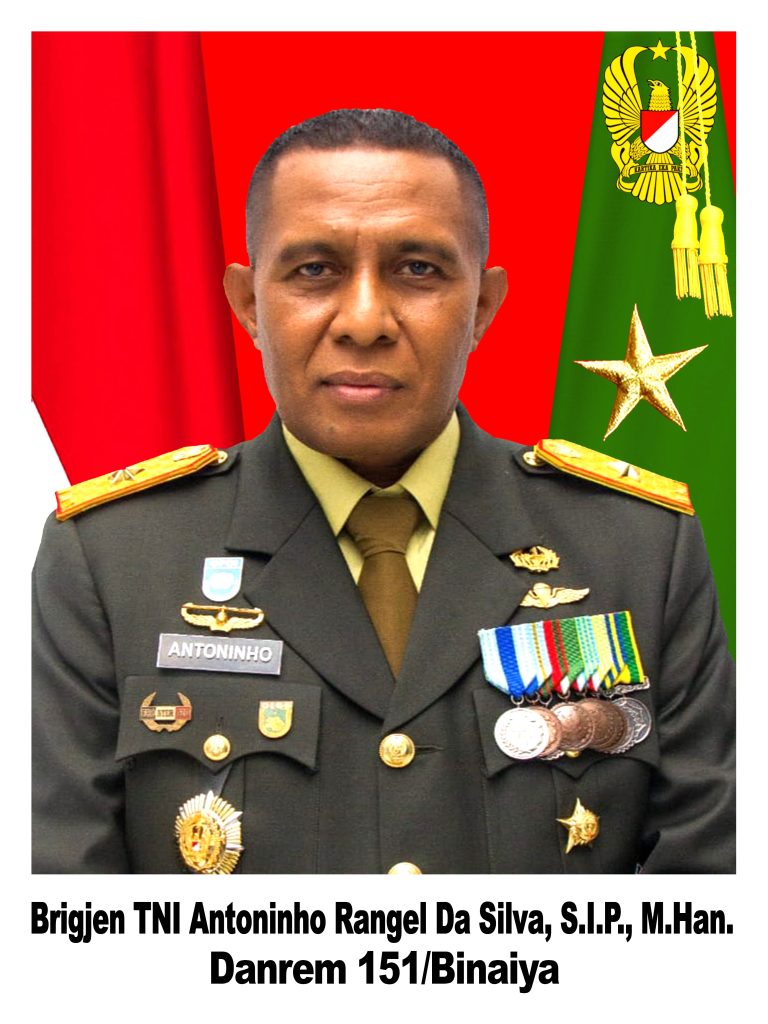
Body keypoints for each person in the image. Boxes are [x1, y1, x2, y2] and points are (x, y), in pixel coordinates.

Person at [32, 109, 734, 874]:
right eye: (314, 270)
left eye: (418, 270)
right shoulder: (110, 563)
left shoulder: (641, 549)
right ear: (248, 303)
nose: (365, 322)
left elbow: (712, 895)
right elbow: (63, 906)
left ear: (483, 306)